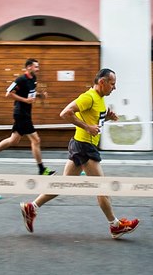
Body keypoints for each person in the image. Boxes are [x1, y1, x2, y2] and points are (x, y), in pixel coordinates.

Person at [19, 68, 140, 239]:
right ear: (102, 82)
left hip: (79, 144)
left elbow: (92, 118)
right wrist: (87, 127)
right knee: (102, 187)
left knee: (64, 184)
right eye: (112, 84)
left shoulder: (99, 99)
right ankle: (115, 225)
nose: (114, 88)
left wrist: (106, 117)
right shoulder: (88, 97)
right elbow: (65, 113)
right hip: (84, 147)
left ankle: (32, 207)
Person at [0, 58, 55, 175]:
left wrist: (40, 95)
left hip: (26, 113)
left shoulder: (33, 79)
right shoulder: (20, 79)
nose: (38, 69)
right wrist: (25, 100)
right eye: (36, 67)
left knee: (13, 140)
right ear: (29, 67)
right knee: (36, 140)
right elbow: (8, 94)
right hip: (21, 113)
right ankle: (41, 169)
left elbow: (31, 93)